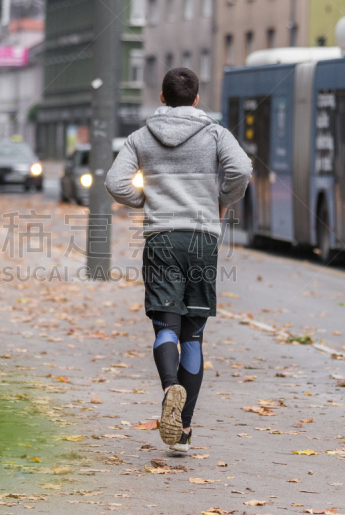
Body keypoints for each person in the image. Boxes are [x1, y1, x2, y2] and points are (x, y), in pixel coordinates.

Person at [105, 68, 252, 452]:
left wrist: (150, 200)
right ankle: (183, 431)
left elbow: (115, 183)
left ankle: (170, 386)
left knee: (165, 327)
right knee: (194, 334)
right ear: (197, 99)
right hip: (203, 239)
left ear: (162, 96)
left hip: (162, 239)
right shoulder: (215, 133)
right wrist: (221, 202)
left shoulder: (140, 137)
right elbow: (242, 168)